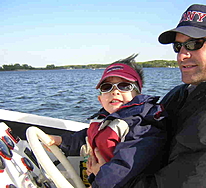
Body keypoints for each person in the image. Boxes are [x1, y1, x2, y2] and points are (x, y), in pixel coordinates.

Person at [92, 4, 206, 188]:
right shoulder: (184, 93)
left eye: (194, 44)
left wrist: (107, 178)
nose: (182, 55)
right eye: (178, 46)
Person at [48, 54, 167, 187]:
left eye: (124, 86)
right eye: (107, 87)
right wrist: (61, 141)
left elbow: (125, 168)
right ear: (100, 100)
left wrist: (98, 177)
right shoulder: (106, 121)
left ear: (138, 94)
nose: (115, 91)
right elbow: (88, 138)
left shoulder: (143, 125)